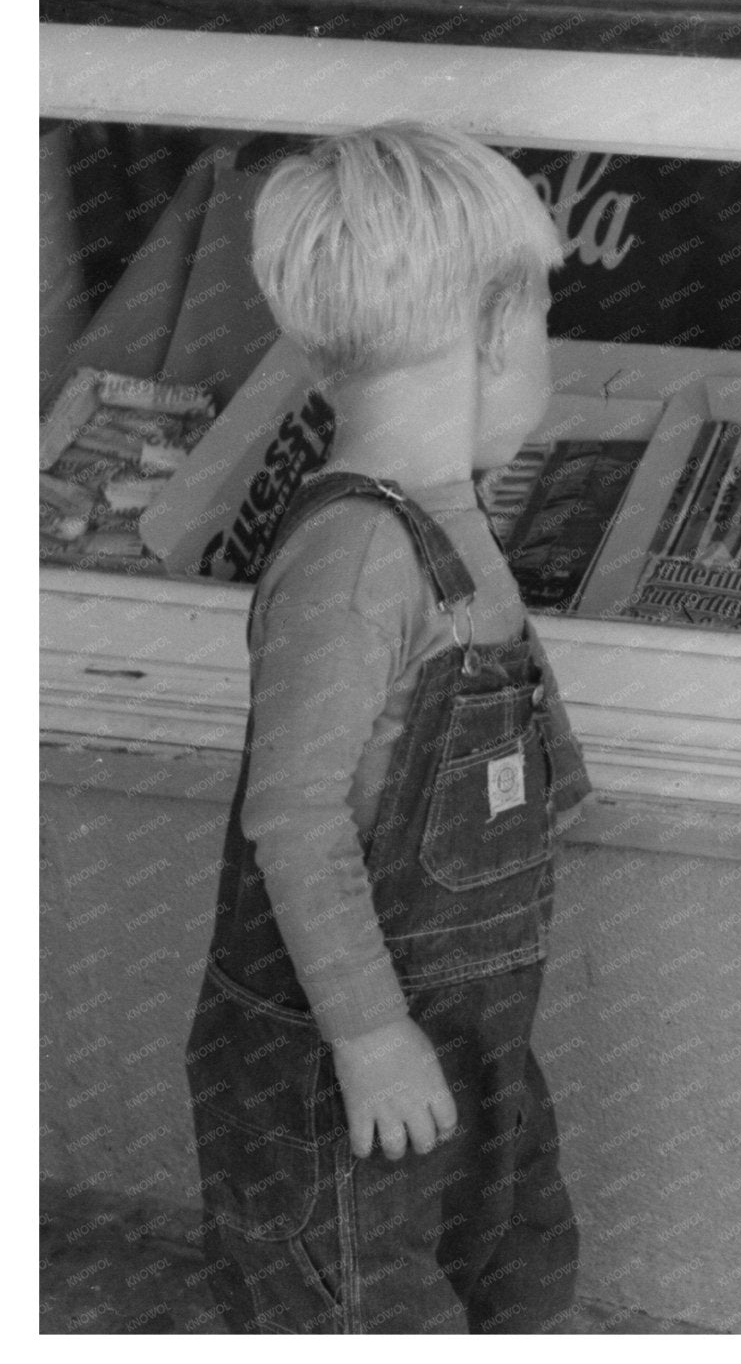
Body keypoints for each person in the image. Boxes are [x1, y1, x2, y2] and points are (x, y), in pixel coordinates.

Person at [186, 121, 591, 1333]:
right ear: (492, 334)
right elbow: (297, 819)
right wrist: (369, 1038)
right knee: (365, 1309)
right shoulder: (358, 561)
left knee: (510, 1273)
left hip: (467, 1036)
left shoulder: (443, 522)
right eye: (545, 325)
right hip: (341, 1078)